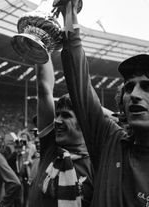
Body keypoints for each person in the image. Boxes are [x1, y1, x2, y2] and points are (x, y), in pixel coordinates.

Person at [60, 0, 149, 206]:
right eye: (129, 87)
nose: (134, 94)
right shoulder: (110, 142)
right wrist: (68, 12)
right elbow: (78, 82)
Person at [28, 10, 94, 207]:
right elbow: (44, 89)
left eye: (65, 115)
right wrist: (42, 45)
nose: (56, 120)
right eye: (57, 114)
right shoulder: (50, 148)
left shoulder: (100, 162)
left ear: (84, 121)